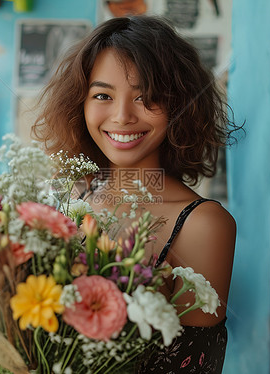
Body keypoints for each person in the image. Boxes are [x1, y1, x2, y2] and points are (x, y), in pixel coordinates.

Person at [32, 15, 239, 374]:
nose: (123, 115)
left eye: (147, 97)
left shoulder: (201, 226)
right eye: (103, 95)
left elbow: (193, 364)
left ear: (180, 105)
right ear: (79, 104)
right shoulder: (65, 201)